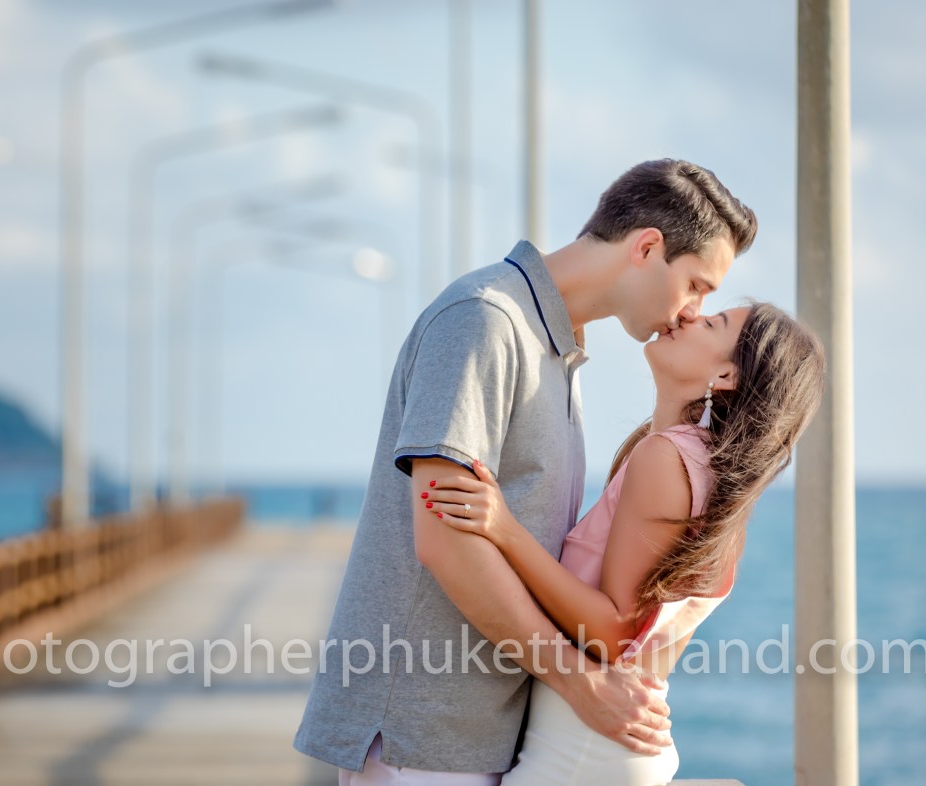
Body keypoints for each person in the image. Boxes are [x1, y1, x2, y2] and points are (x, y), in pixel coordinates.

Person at [294, 159, 758, 782]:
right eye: (697, 286)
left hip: (483, 732)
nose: (690, 312)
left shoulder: (556, 350)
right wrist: (579, 681)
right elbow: (445, 540)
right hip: (422, 732)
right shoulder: (483, 320)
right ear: (648, 247)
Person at [425, 302, 825, 783]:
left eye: (712, 323)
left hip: (586, 745)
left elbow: (614, 634)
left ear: (726, 374)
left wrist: (504, 528)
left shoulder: (667, 458)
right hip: (610, 740)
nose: (686, 316)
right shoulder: (710, 477)